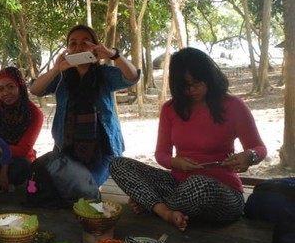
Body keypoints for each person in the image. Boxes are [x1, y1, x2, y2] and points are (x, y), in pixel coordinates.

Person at [109, 47, 267, 231]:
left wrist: (250, 156)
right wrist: (175, 162)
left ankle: (152, 204)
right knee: (118, 164)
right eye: (185, 86)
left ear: (209, 77)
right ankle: (166, 212)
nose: (192, 90)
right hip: (178, 186)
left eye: (197, 83)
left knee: (198, 185)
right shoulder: (170, 109)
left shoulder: (233, 105)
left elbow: (259, 148)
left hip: (221, 193)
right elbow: (161, 154)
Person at [29, 24, 140, 186]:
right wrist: (55, 69)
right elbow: (35, 89)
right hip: (65, 149)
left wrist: (113, 54)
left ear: (94, 46)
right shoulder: (62, 76)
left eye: (85, 42)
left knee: (85, 186)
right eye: (73, 43)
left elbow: (132, 76)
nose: (78, 47)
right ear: (67, 49)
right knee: (52, 185)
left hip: (103, 150)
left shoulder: (104, 73)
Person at [0, 67, 44, 186]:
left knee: (20, 169)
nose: (5, 93)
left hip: (18, 158)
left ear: (20, 87)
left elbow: (22, 149)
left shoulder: (33, 114)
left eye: (11, 87)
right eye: (1, 89)